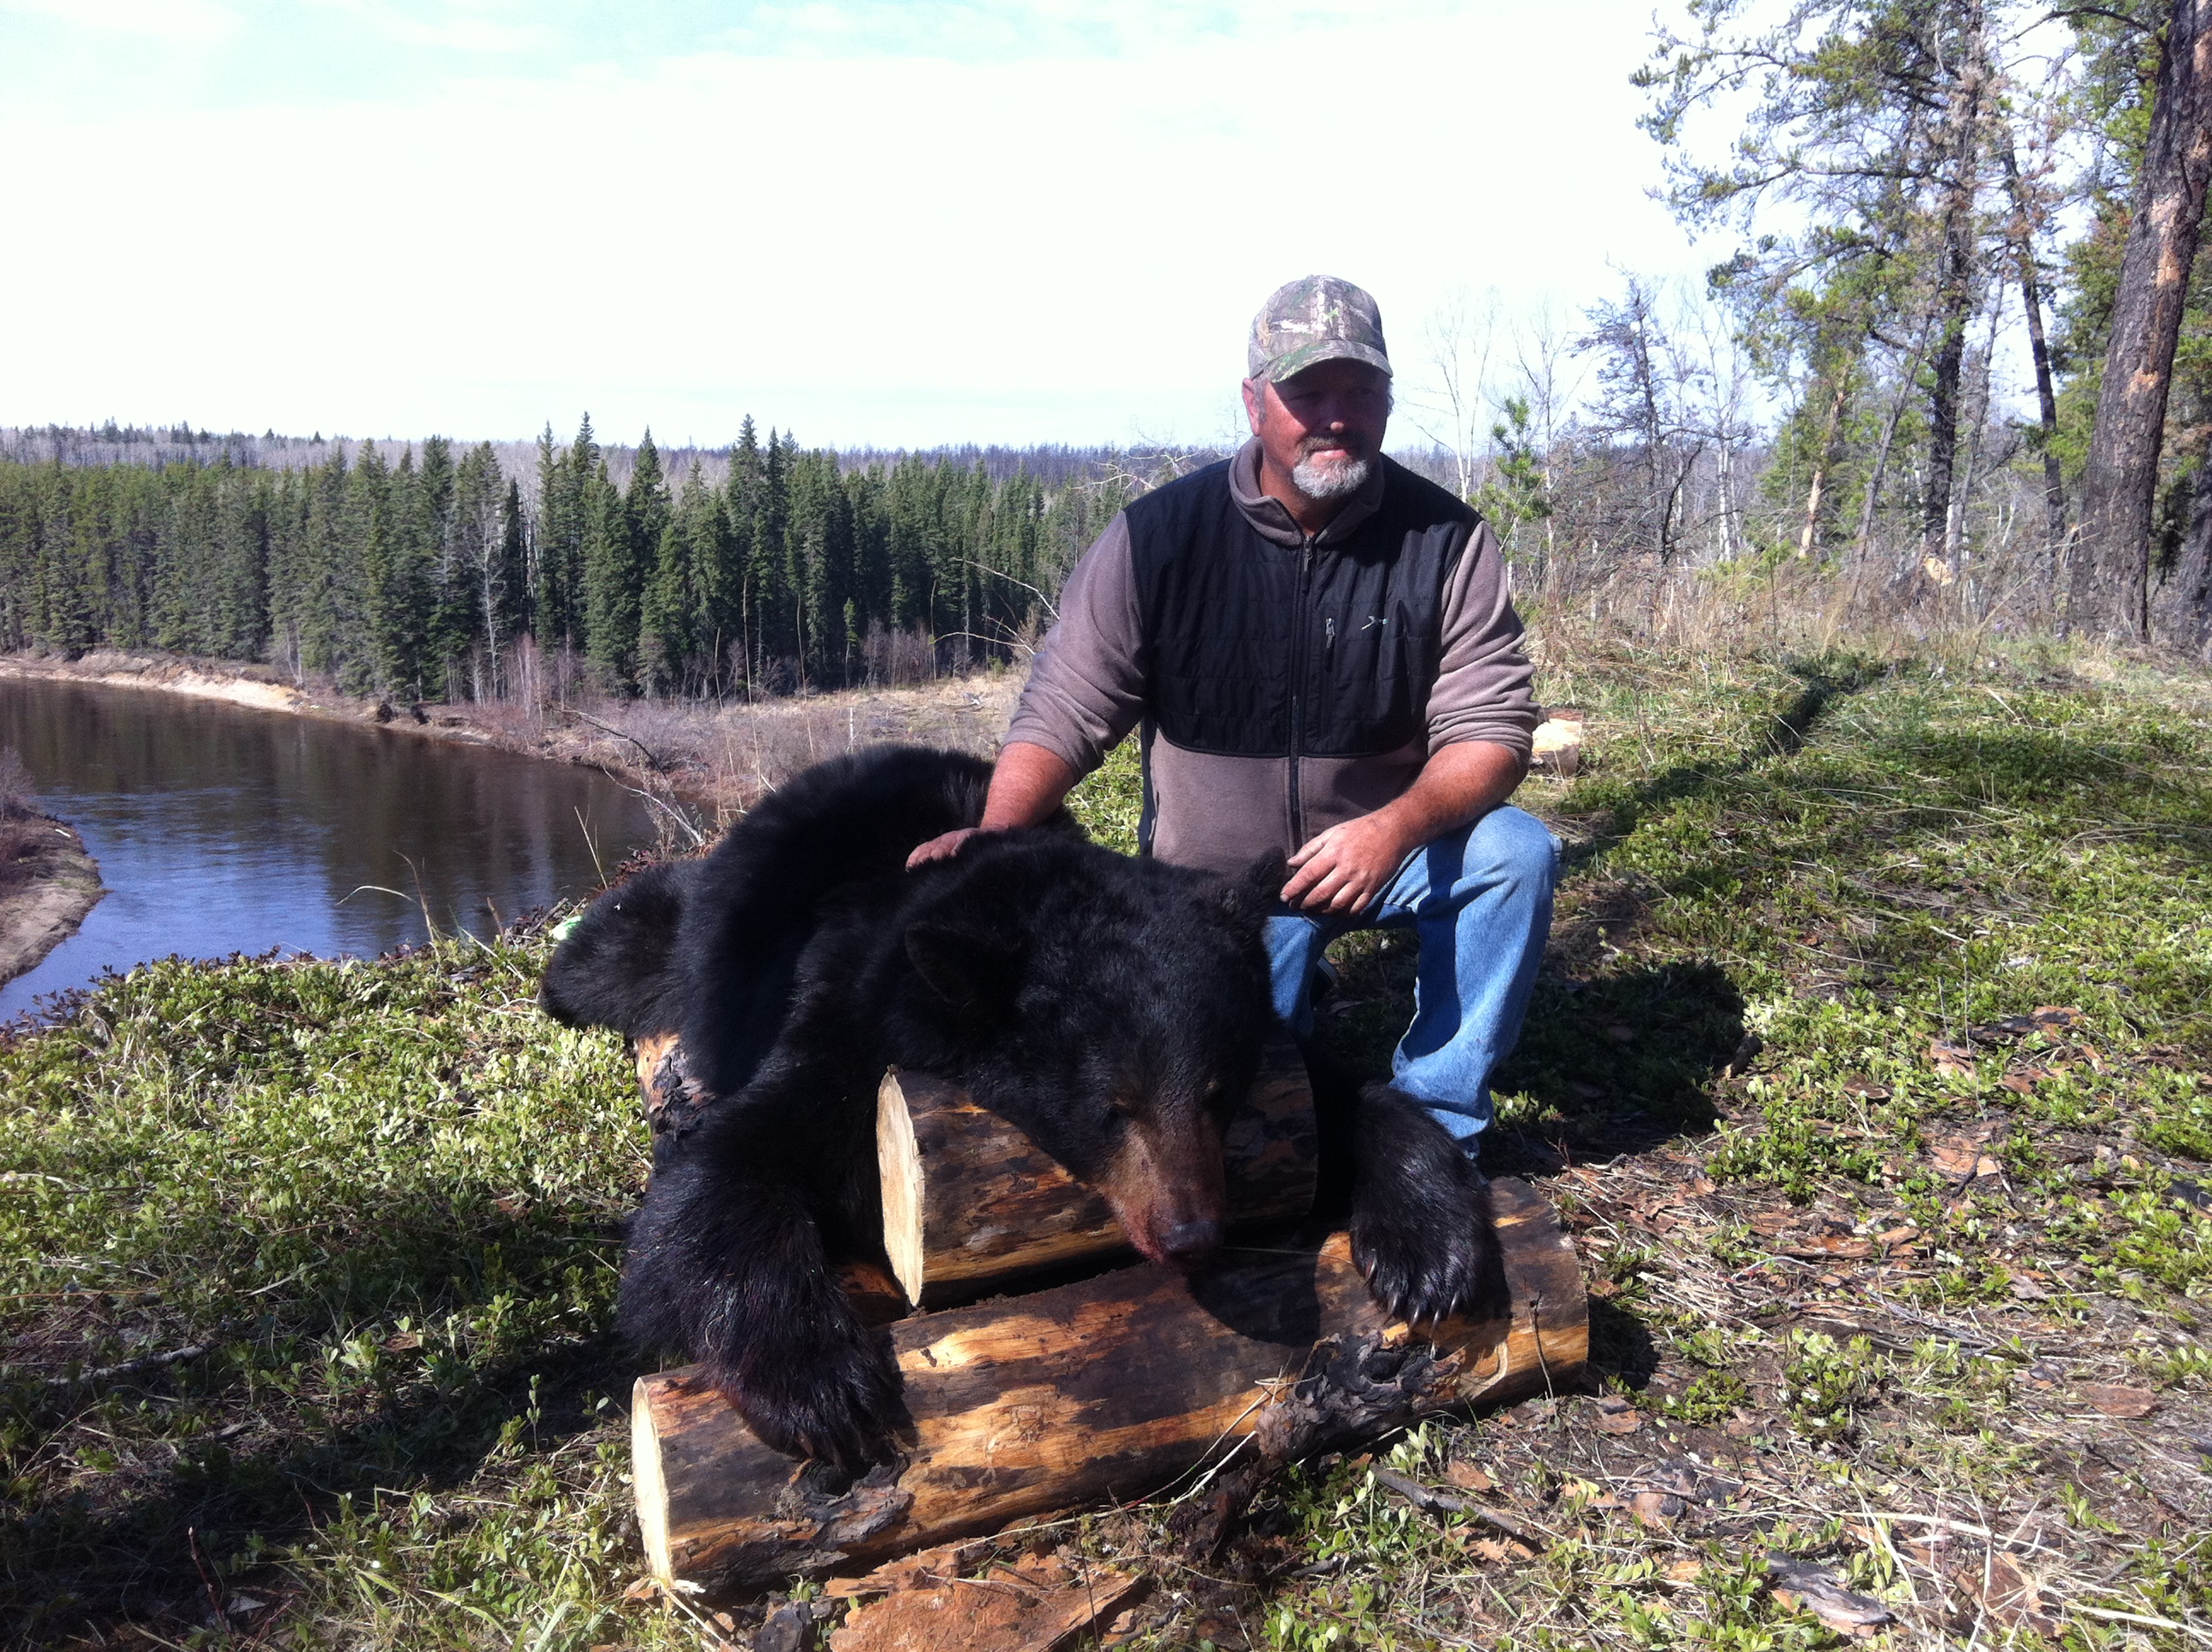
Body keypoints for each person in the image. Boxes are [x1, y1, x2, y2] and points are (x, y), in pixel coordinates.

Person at [909, 275, 1556, 1151]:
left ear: (1389, 402)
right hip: (1217, 893)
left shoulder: (1446, 542)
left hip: (1385, 851)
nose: (1336, 414)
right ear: (1256, 403)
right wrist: (994, 832)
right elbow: (1064, 709)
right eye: (1307, 392)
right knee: (1255, 1101)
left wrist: (1393, 829)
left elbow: (1492, 734)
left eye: (1360, 391)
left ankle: (1442, 1125)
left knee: (1514, 855)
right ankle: (1299, 996)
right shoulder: (1159, 538)